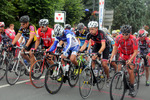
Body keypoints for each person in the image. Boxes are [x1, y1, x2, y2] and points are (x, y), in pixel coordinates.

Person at [110, 25, 138, 96]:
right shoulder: (118, 38)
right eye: (123, 34)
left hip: (131, 55)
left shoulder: (133, 39)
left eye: (126, 34)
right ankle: (123, 77)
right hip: (123, 54)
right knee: (119, 67)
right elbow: (115, 48)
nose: (124, 36)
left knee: (130, 71)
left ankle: (131, 87)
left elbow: (135, 52)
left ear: (130, 33)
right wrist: (112, 57)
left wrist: (130, 60)